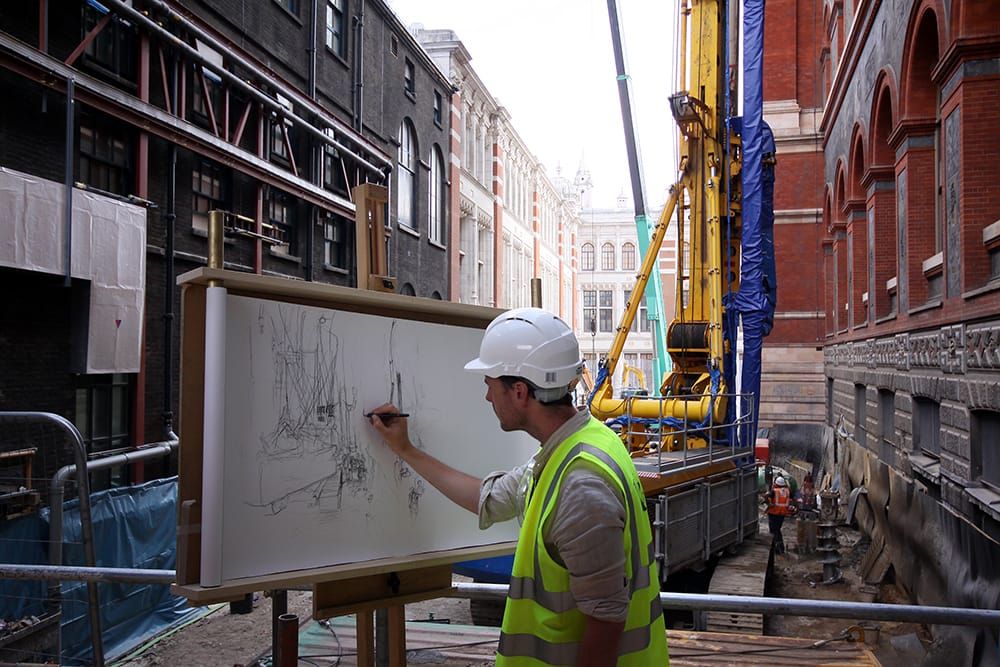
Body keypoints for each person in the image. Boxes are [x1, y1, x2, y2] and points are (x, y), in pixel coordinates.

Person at [367, 307, 668, 666]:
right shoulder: (578, 445)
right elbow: (488, 498)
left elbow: (605, 620)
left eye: (490, 386)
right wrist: (405, 450)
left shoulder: (579, 485)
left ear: (520, 391)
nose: (487, 398)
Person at [766, 476, 794, 555]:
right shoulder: (788, 491)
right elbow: (793, 499)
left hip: (773, 513)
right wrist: (796, 508)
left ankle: (777, 549)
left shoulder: (774, 491)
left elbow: (766, 495)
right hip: (782, 514)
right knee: (778, 530)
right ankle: (780, 548)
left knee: (773, 532)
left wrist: (769, 504)